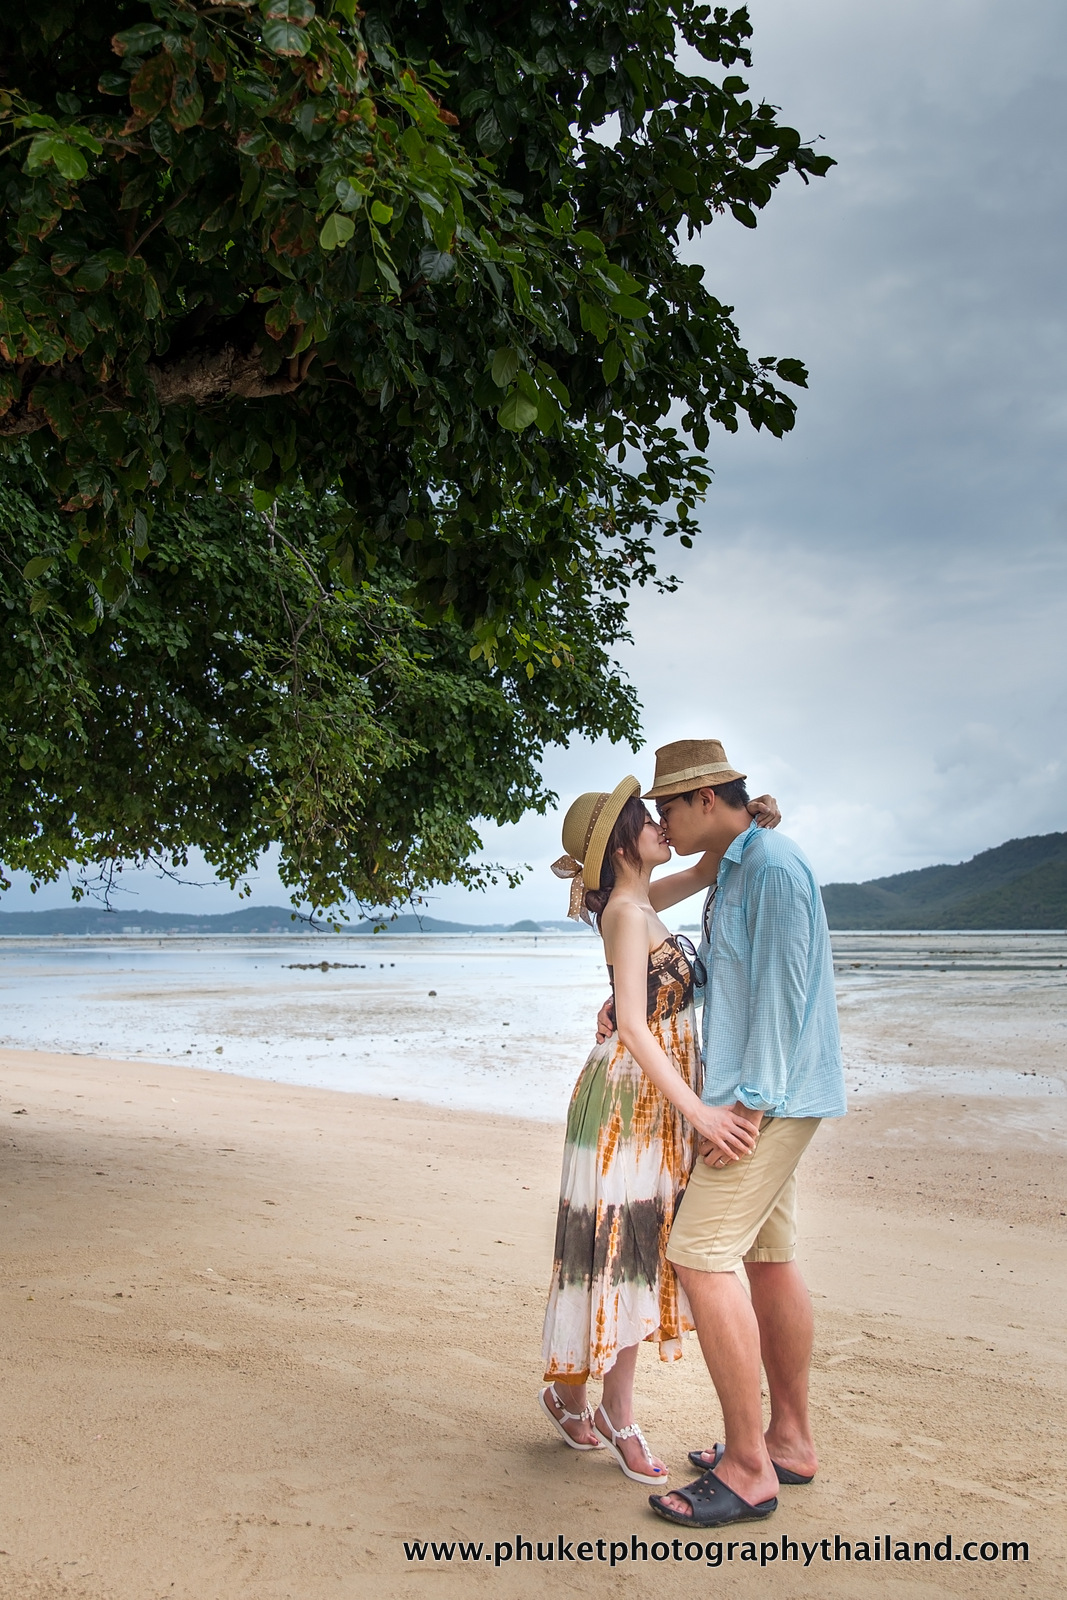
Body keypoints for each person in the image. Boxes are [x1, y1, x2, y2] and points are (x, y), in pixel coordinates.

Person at [619, 739, 847, 1531]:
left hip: (767, 1098)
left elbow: (784, 991)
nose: (662, 821)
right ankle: (786, 1442)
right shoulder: (739, 868)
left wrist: (745, 1105)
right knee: (766, 1256)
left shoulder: (773, 867)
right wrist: (633, 1003)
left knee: (697, 1253)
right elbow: (729, 970)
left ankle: (749, 1471)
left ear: (707, 799)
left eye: (668, 807)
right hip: (769, 1090)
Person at [539, 774, 781, 1486]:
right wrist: (699, 1110)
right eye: (646, 819)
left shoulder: (643, 899)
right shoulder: (623, 909)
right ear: (620, 846)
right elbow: (638, 1029)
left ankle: (577, 1396)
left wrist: (755, 815)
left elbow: (710, 866)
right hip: (630, 1099)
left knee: (626, 1248)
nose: (659, 826)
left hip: (652, 1097)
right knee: (619, 1248)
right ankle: (612, 1410)